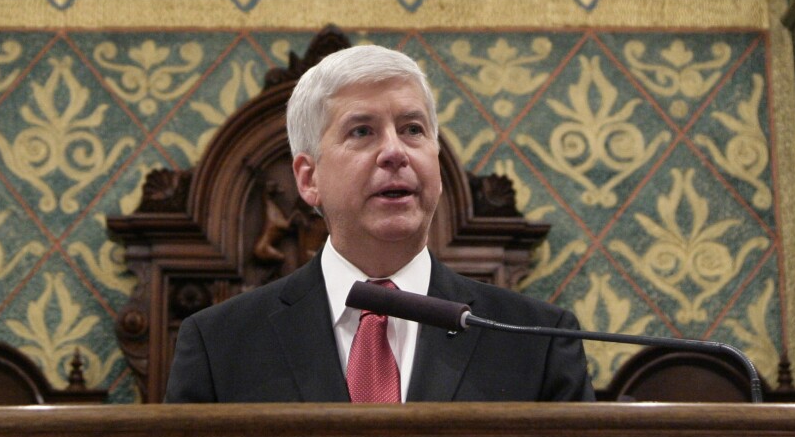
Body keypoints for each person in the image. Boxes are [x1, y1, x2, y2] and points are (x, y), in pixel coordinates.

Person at [164, 45, 595, 403]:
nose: (395, 152)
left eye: (412, 129)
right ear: (309, 179)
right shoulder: (219, 344)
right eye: (362, 132)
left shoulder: (536, 341)